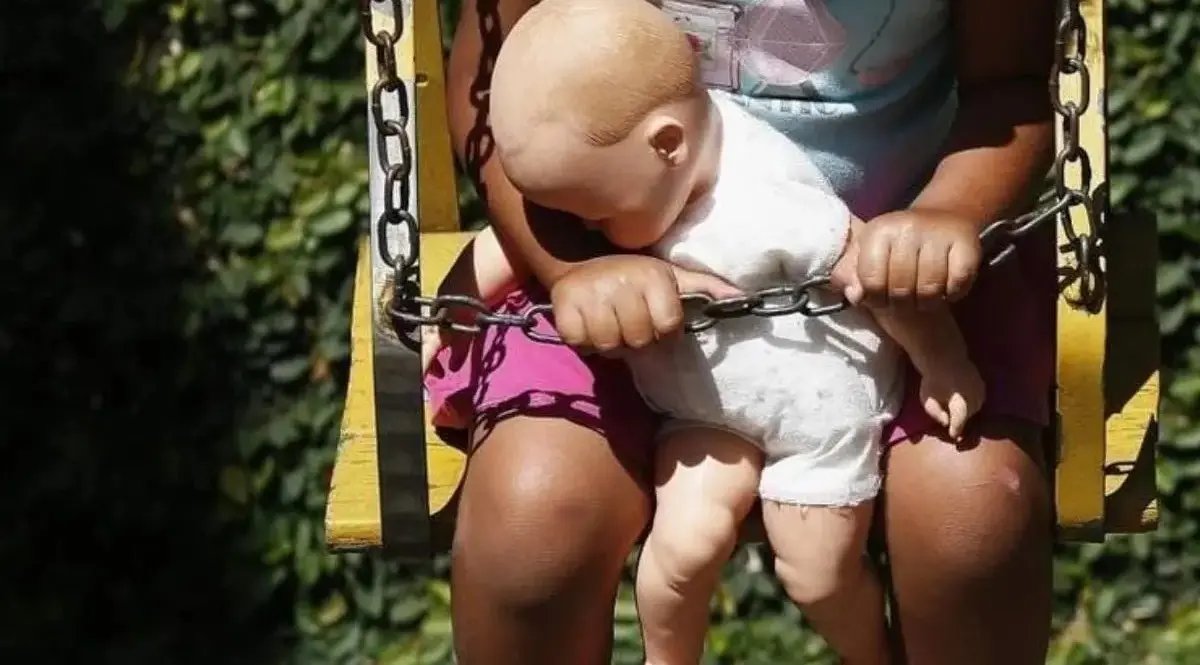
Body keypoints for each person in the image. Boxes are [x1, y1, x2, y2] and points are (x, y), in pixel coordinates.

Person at [432, 0, 1055, 663]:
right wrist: (574, 266)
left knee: (974, 519)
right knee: (532, 521)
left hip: (910, 271)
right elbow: (491, 88)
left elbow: (1011, 86)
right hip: (604, 249)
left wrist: (947, 214)